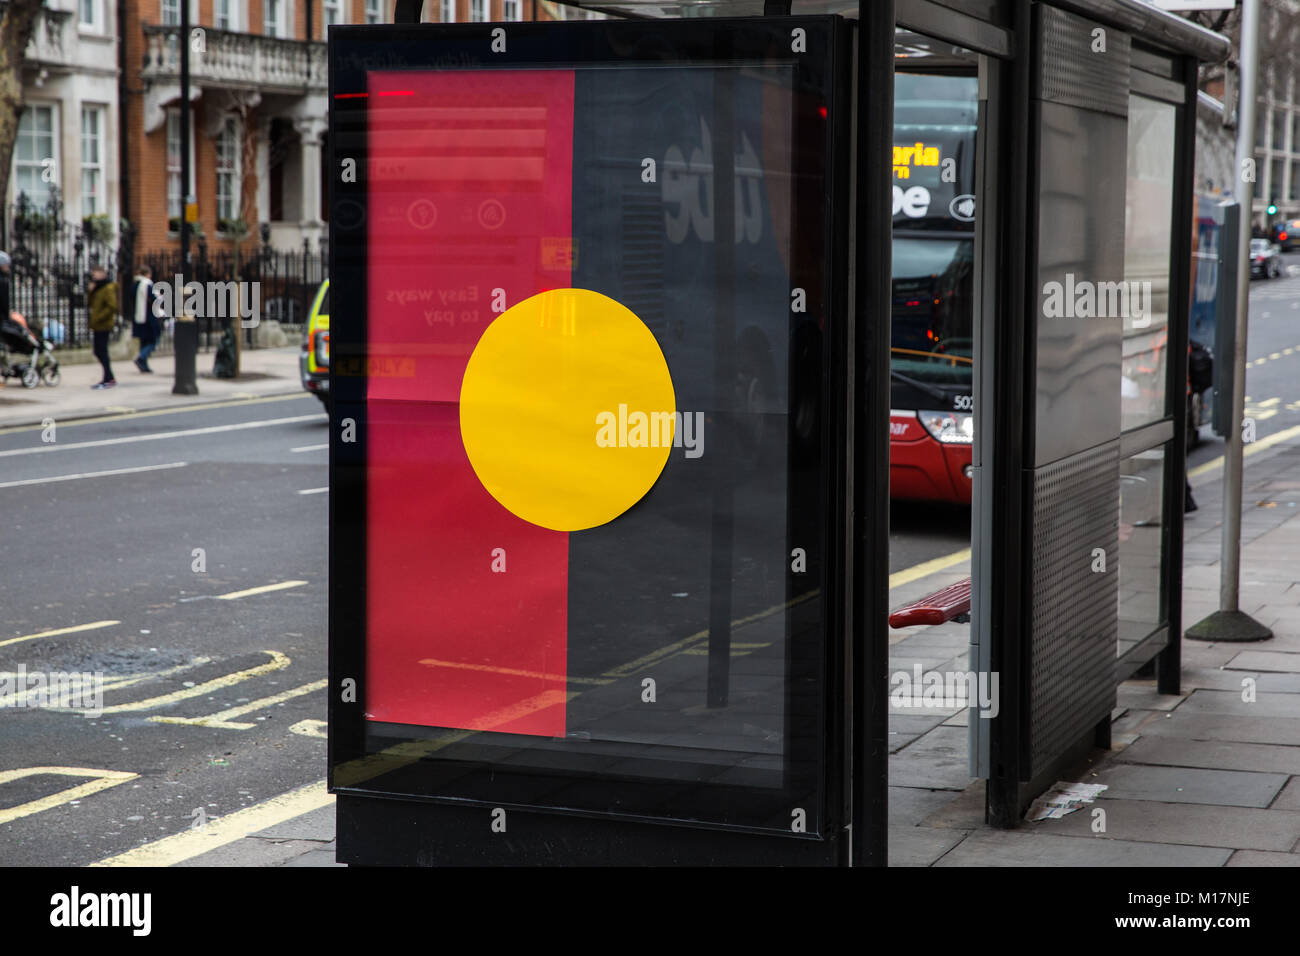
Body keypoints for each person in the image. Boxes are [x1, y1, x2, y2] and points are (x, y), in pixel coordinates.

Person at [87, 265, 118, 389]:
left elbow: (112, 306)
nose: (94, 276)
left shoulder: (108, 288)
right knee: (98, 351)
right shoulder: (98, 288)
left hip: (104, 324)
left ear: (103, 274)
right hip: (97, 325)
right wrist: (91, 291)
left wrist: (99, 317)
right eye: (93, 274)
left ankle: (109, 378)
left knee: (102, 351)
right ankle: (109, 377)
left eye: (96, 274)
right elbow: (90, 304)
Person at [128, 263, 159, 373]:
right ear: (147, 274)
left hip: (138, 316)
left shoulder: (135, 285)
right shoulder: (147, 284)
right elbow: (154, 298)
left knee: (143, 341)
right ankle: (141, 358)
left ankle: (144, 365)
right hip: (149, 317)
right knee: (153, 341)